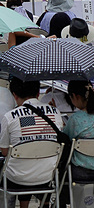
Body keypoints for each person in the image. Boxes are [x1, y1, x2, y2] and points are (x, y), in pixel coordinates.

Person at [0, 78, 64, 208]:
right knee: (34, 161)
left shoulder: (10, 116)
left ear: (14, 95)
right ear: (37, 93)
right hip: (47, 175)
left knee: (20, 164)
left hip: (17, 178)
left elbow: (5, 152)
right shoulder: (55, 112)